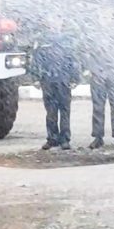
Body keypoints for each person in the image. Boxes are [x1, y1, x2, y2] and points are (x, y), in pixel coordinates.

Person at [32, 14, 81, 150]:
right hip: (48, 80)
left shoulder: (67, 40)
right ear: (47, 22)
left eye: (57, 19)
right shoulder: (42, 39)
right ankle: (52, 138)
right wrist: (35, 77)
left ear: (61, 22)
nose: (54, 22)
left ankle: (65, 139)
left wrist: (75, 78)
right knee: (51, 112)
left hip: (64, 80)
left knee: (65, 110)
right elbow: (36, 59)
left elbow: (73, 59)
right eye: (52, 19)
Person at [86, 5, 114, 150]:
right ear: (98, 15)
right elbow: (86, 52)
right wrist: (93, 69)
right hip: (98, 74)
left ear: (113, 15)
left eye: (108, 13)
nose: (105, 16)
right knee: (98, 107)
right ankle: (98, 137)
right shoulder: (92, 33)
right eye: (102, 13)